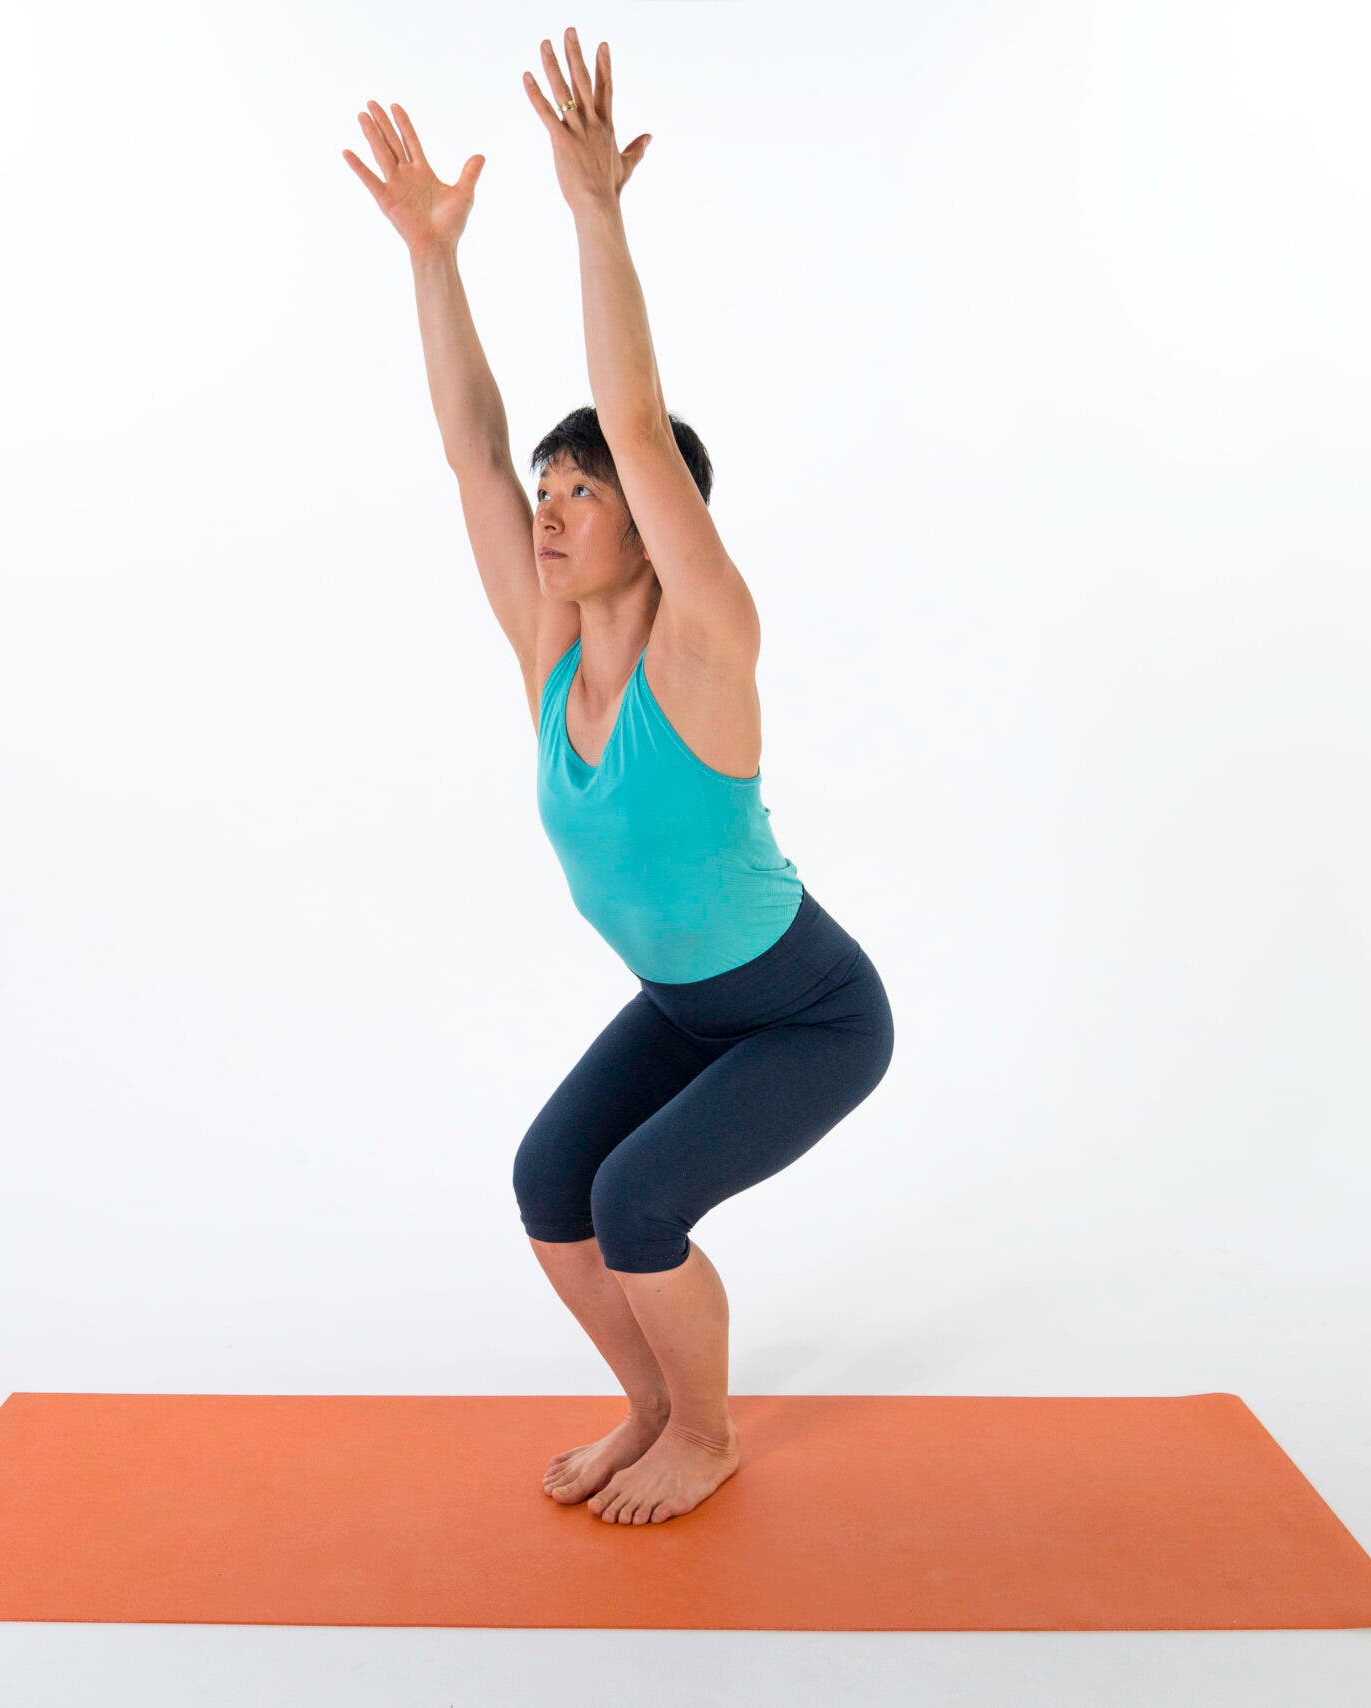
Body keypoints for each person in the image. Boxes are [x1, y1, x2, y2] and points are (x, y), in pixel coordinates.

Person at [341, 29, 894, 1528]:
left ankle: (707, 1435)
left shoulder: (705, 649)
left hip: (809, 1018)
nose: (553, 507)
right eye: (552, 487)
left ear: (655, 527)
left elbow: (639, 425)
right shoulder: (545, 655)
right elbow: (467, 455)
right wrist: (431, 257)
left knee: (640, 1204)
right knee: (552, 1185)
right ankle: (651, 1406)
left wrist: (595, 212)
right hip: (684, 1009)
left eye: (586, 493)